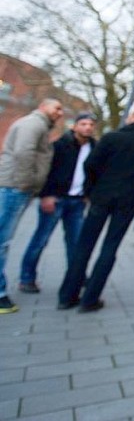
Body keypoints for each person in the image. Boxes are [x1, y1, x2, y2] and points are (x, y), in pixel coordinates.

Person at [58, 106, 134, 312]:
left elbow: (90, 164)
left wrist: (92, 188)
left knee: (84, 245)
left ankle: (67, 295)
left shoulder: (111, 138)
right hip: (128, 199)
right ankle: (90, 299)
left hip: (102, 196)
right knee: (110, 247)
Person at [19, 111, 96, 293]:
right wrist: (46, 195)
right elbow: (46, 171)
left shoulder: (95, 148)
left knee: (76, 243)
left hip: (77, 202)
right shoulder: (60, 145)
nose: (88, 127)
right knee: (40, 240)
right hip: (55, 199)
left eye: (91, 125)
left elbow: (95, 174)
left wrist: (88, 194)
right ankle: (27, 278)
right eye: (84, 124)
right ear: (75, 126)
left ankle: (76, 276)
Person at [0, 97, 64, 313]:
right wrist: (28, 184)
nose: (60, 113)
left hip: (14, 186)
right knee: (2, 240)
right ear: (42, 107)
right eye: (56, 108)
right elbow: (23, 154)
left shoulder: (37, 126)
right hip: (14, 187)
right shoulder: (33, 125)